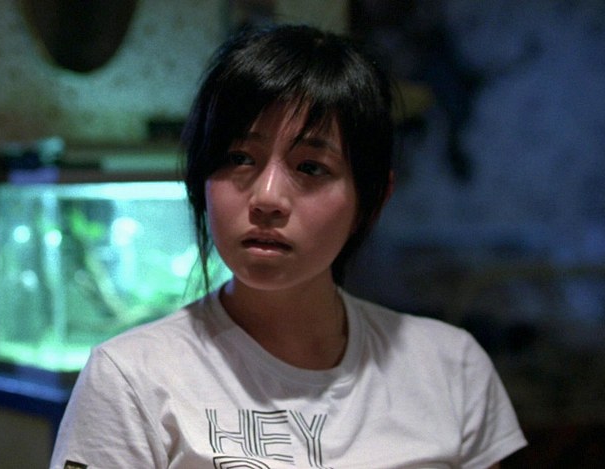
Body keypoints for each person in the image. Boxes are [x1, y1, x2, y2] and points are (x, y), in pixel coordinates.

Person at [51, 24, 526, 468]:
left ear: (373, 198)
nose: (267, 198)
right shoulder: (130, 376)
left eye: (310, 167)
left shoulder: (451, 367)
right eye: (239, 158)